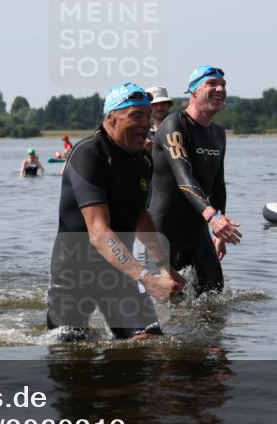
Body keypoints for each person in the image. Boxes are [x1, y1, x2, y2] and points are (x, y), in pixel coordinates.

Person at [47, 82, 185, 340]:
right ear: (111, 118)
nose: (146, 123)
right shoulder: (89, 155)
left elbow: (140, 217)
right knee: (71, 354)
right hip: (75, 275)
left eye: (147, 115)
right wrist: (147, 279)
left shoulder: (143, 160)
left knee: (151, 342)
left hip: (120, 273)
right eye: (136, 115)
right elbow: (99, 233)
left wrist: (165, 267)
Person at [150, 66, 242, 295]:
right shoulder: (174, 125)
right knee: (168, 300)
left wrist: (218, 232)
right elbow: (184, 176)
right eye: (211, 83)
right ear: (193, 90)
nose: (220, 88)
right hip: (164, 229)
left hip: (198, 228)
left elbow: (218, 184)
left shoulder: (218, 134)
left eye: (223, 85)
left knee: (215, 294)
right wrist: (213, 216)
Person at [144, 86, 173, 153]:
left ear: (168, 105)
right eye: (155, 104)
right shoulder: (143, 135)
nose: (159, 108)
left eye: (162, 103)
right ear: (148, 108)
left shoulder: (181, 129)